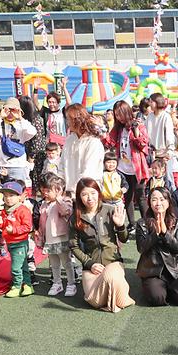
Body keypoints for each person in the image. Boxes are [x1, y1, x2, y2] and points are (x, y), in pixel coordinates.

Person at [70, 178, 134, 313]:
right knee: (94, 301)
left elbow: (124, 238)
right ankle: (115, 289)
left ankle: (117, 289)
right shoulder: (76, 217)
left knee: (110, 277)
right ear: (79, 197)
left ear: (99, 193)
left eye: (93, 193)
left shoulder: (110, 210)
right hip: (92, 266)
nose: (89, 198)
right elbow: (73, 246)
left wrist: (121, 226)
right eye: (84, 194)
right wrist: (89, 263)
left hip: (112, 261)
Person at [136, 186, 178, 306]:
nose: (158, 203)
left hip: (174, 267)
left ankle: (177, 286)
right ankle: (155, 287)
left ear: (168, 202)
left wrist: (165, 233)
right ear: (149, 203)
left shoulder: (177, 222)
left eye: (162, 199)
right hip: (152, 269)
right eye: (154, 199)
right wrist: (156, 234)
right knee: (156, 298)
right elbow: (141, 248)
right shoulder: (142, 223)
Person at [102, 100, 150, 228]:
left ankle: (146, 223)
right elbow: (108, 142)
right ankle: (132, 224)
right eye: (116, 115)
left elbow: (143, 144)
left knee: (141, 197)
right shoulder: (118, 128)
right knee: (127, 196)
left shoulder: (138, 125)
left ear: (126, 112)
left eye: (120, 114)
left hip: (137, 168)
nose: (118, 118)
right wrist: (101, 130)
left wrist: (135, 131)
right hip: (123, 168)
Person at [34, 173, 76, 297]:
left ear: (58, 190)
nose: (45, 193)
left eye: (48, 191)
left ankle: (71, 283)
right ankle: (57, 283)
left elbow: (66, 211)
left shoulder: (65, 200)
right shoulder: (44, 204)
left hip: (61, 238)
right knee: (54, 264)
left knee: (67, 262)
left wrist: (58, 199)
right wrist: (40, 235)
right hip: (49, 239)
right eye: (43, 191)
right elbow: (42, 222)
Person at [0, 97, 37, 187]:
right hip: (1, 165)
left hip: (18, 166)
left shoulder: (21, 125)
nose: (10, 113)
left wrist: (20, 118)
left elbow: (32, 132)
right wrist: (0, 116)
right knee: (1, 195)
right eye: (8, 110)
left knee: (18, 193)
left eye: (13, 110)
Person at [0, 181, 34, 298]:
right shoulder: (4, 211)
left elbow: (28, 227)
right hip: (10, 242)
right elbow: (4, 226)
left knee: (15, 267)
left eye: (11, 195)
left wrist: (13, 230)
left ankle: (17, 286)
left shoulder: (23, 210)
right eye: (5, 196)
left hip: (20, 242)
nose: (8, 199)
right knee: (22, 265)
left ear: (20, 197)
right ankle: (27, 285)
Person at [62, 104, 105, 196]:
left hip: (88, 192)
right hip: (69, 193)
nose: (67, 122)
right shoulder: (69, 140)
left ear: (76, 120)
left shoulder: (93, 142)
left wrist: (77, 190)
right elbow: (63, 165)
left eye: (68, 119)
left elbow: (89, 171)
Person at [20, 95, 47, 192]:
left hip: (36, 154)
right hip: (29, 151)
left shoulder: (36, 119)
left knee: (36, 178)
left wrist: (31, 156)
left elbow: (38, 139)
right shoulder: (26, 119)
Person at [33, 82, 71, 146]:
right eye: (49, 102)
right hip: (50, 144)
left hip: (63, 142)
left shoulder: (63, 111)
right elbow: (35, 102)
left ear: (58, 103)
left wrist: (64, 88)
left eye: (54, 102)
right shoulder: (46, 112)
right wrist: (35, 89)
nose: (51, 104)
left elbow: (69, 102)